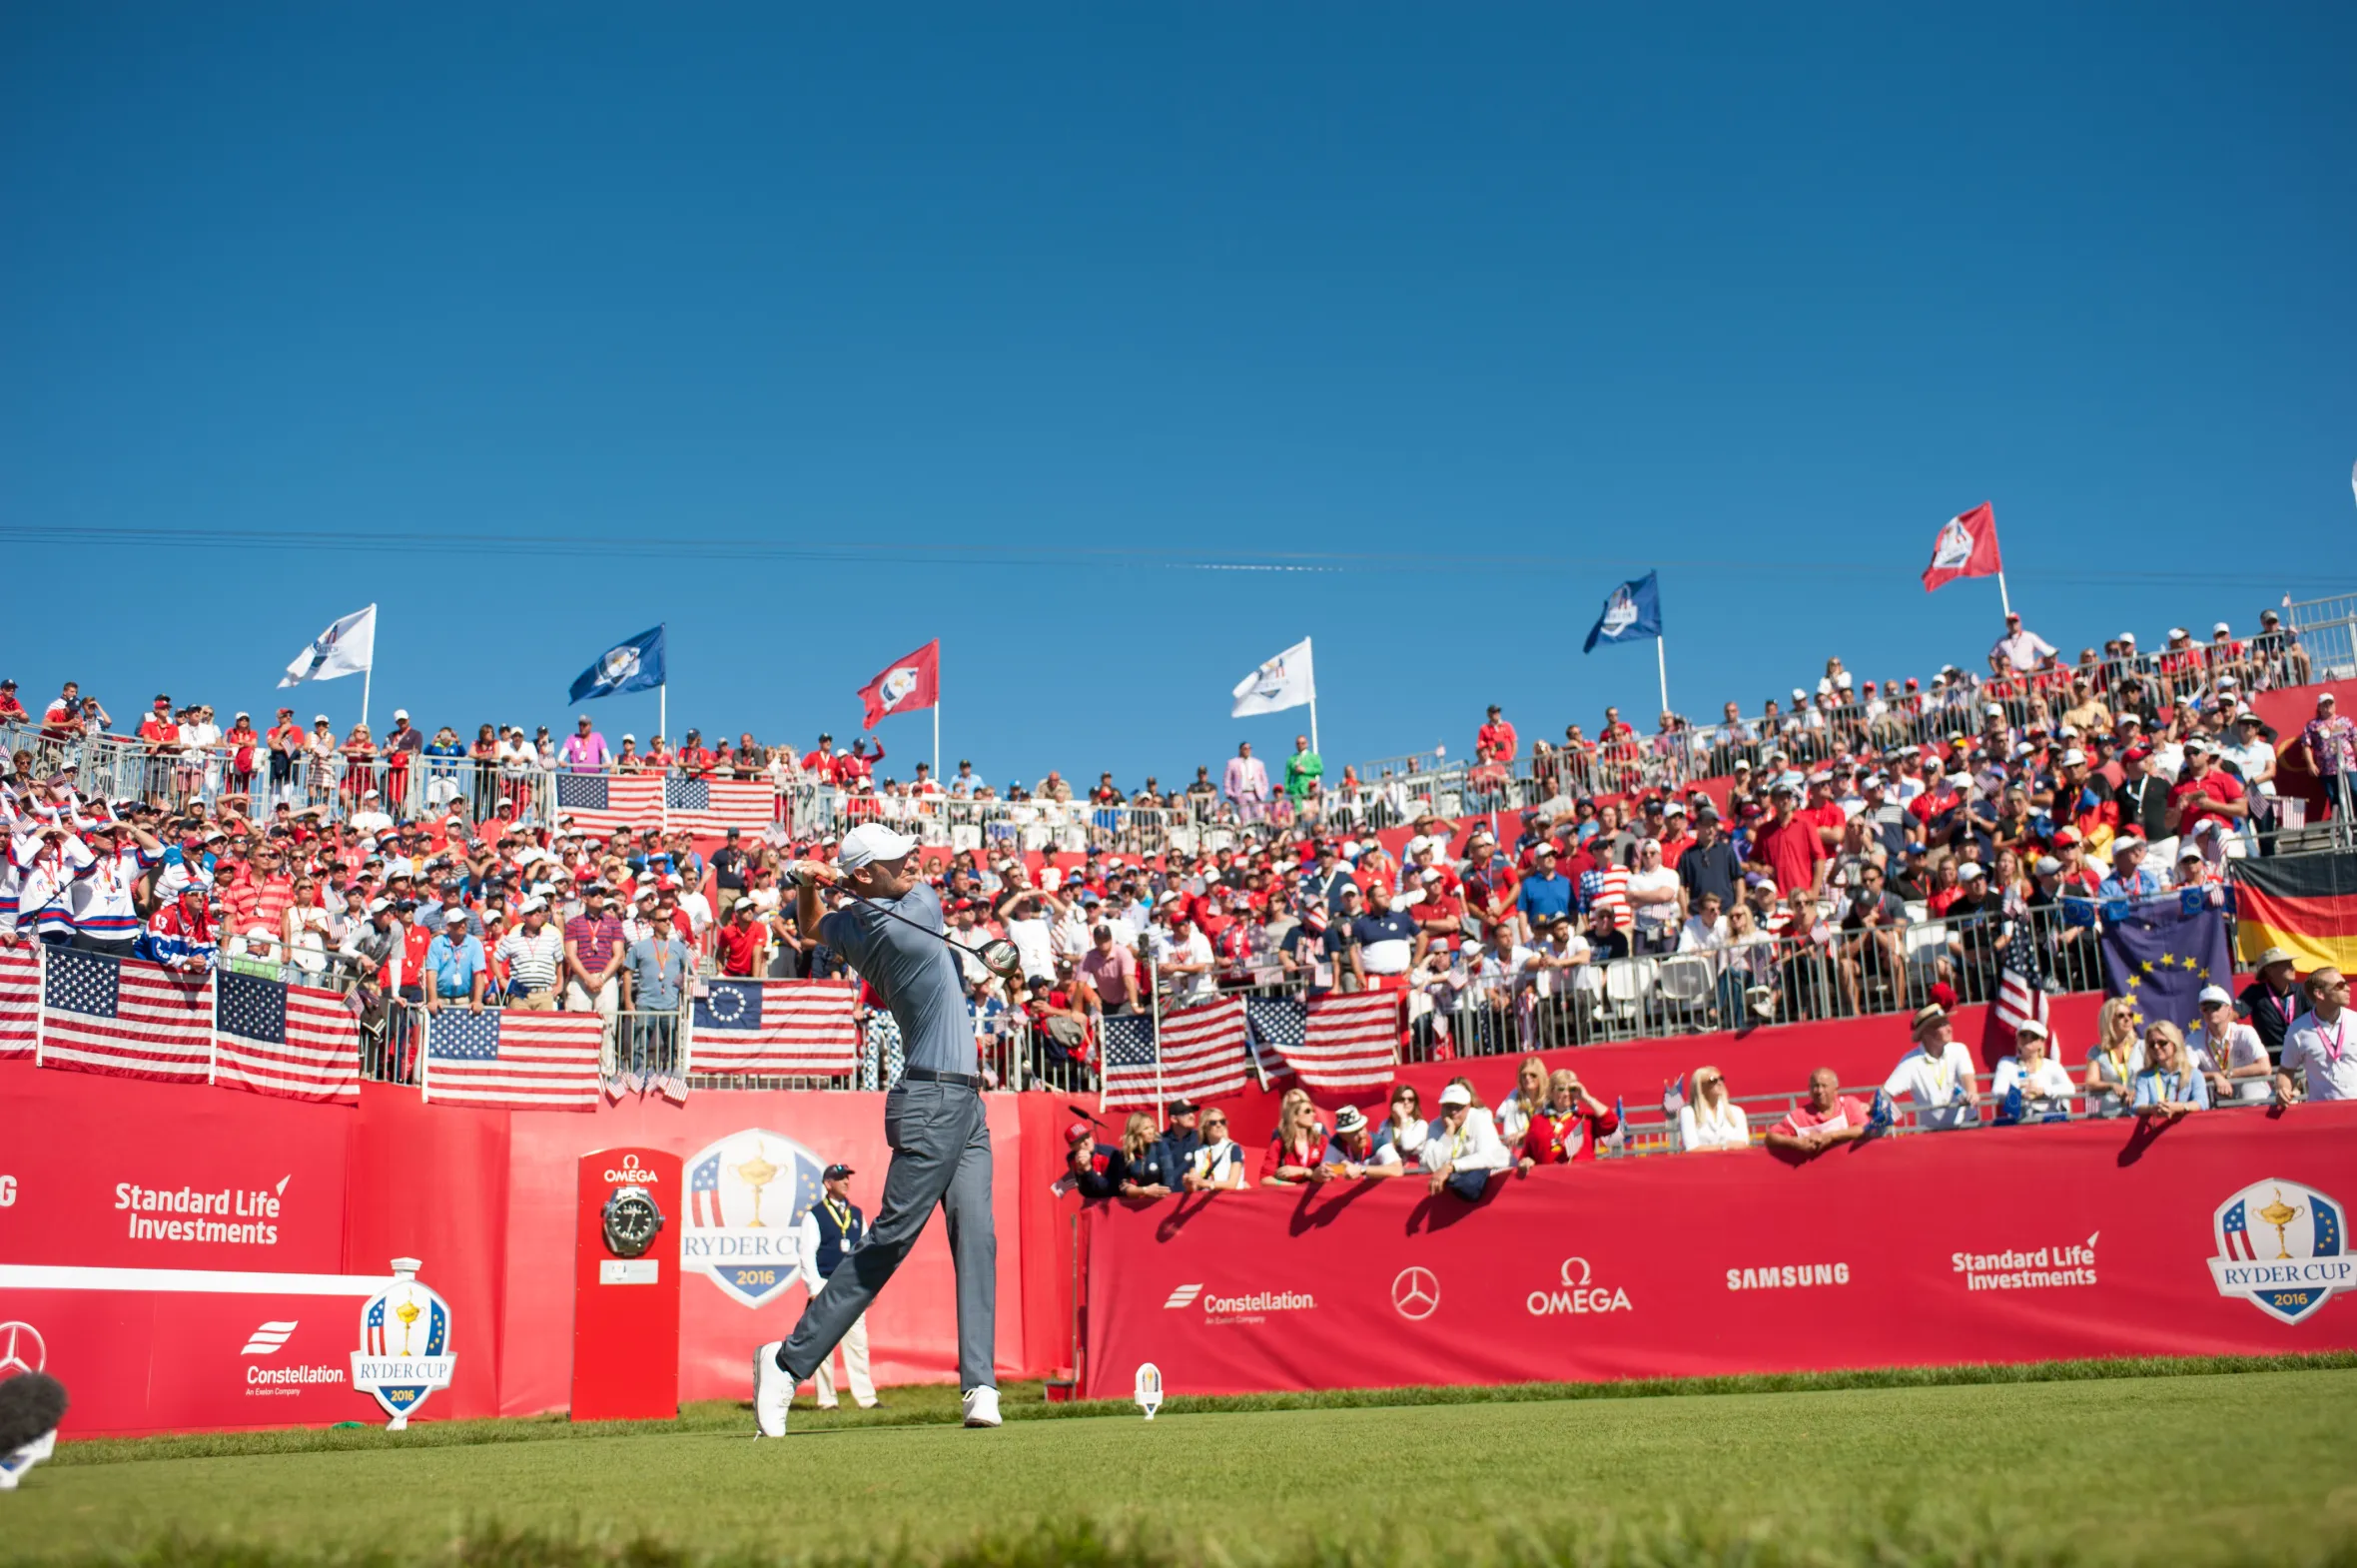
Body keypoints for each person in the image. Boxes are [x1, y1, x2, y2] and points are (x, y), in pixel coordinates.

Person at [756, 822, 1000, 1437]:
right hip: (932, 1100)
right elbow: (851, 901)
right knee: (890, 1241)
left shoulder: (861, 920)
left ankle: (980, 1385)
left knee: (978, 1236)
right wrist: (826, 879)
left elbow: (812, 926)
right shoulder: (909, 917)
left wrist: (808, 885)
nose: (914, 863)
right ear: (868, 875)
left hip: (963, 1102)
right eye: (899, 860)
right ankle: (786, 1365)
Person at [794, 1164, 878, 1411]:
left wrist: (868, 1285)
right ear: (827, 1183)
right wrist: (814, 1287)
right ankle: (826, 1400)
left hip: (852, 1288)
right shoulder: (815, 1215)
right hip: (826, 1285)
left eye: (847, 1178)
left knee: (858, 1343)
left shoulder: (856, 1213)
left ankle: (866, 1398)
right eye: (840, 1178)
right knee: (823, 1344)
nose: (845, 1182)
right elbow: (806, 1253)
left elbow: (865, 1250)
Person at [1882, 1004, 1982, 1131]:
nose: (1949, 1028)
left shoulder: (1959, 1049)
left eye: (1948, 1023)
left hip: (1967, 1126)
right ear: (1926, 1032)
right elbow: (1886, 1092)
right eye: (1942, 1025)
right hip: (1934, 1135)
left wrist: (1971, 1092)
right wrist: (1873, 1107)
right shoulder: (1911, 1061)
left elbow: (1967, 1078)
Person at [2276, 967, 2357, 1106]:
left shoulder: (2355, 1021)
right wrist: (2282, 1089)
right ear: (2319, 993)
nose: (2348, 989)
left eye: (2346, 984)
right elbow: (2286, 1070)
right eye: (2340, 985)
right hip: (2322, 1115)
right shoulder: (2298, 1030)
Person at [1422, 1081, 1510, 1198]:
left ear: (1468, 1106)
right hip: (1461, 1185)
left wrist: (1451, 1166)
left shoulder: (1480, 1117)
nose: (1453, 1112)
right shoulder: (1435, 1125)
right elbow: (1432, 1165)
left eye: (1458, 1107)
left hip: (1501, 1183)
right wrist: (1448, 1134)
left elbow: (1487, 1157)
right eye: (1448, 1106)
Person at [1517, 1069, 1618, 1170]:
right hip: (1549, 1181)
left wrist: (1586, 1098)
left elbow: (1611, 1122)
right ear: (1551, 1092)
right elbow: (1527, 1155)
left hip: (1581, 1178)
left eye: (1571, 1089)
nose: (1566, 1094)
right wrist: (1526, 1161)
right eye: (1561, 1089)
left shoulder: (1584, 1118)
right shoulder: (1537, 1120)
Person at [2191, 984, 2272, 1105]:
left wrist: (2227, 1074)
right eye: (2205, 1008)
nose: (2210, 1011)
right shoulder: (2193, 1039)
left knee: (2249, 1089)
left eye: (2215, 1006)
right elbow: (2186, 1074)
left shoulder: (2245, 1032)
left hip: (2252, 1096)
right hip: (2217, 1093)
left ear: (2229, 1009)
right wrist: (2215, 1076)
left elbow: (2265, 1068)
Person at [1764, 1067, 1872, 1157]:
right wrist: (1797, 1143)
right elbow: (1771, 1136)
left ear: (1835, 1090)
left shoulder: (1848, 1104)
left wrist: (1830, 1136)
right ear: (1809, 1090)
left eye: (1824, 1086)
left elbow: (1864, 1128)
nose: (1819, 1091)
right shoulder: (1798, 1115)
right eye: (1815, 1086)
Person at [1990, 1020, 2074, 1122]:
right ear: (2017, 1039)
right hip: (2018, 1122)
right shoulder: (2006, 1063)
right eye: (2023, 1035)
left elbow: (2070, 1089)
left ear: (2041, 1042)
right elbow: (1997, 1091)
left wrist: (2043, 1091)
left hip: (2049, 1120)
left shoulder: (2052, 1066)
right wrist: (2019, 1093)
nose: (2028, 1039)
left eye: (2033, 1036)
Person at [2082, 995, 2143, 1120]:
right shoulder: (2096, 1052)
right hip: (2111, 1116)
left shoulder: (2143, 1046)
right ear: (2109, 1020)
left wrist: (2138, 1091)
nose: (2127, 1019)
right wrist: (2111, 1086)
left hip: (2139, 1112)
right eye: (2121, 1016)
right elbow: (2090, 1083)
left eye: (2130, 1015)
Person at [2133, 1021, 2210, 1119]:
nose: (2156, 1047)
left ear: (2174, 1043)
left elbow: (2202, 1103)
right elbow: (2138, 1106)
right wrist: (2153, 1108)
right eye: (2152, 1044)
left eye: (2162, 1043)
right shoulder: (2144, 1076)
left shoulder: (2194, 1074)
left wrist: (2180, 1107)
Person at [2237, 947, 2306, 1055]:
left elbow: (2321, 1019)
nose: (2293, 968)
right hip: (2273, 1063)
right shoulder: (2254, 992)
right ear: (2269, 970)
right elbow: (2230, 1015)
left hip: (2304, 1058)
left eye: (2291, 963)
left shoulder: (2302, 990)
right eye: (2286, 964)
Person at [421, 907, 486, 1015]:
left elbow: (479, 973)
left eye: (464, 922)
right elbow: (431, 972)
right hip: (440, 999)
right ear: (449, 926)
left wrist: (477, 1001)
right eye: (458, 922)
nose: (463, 925)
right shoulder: (437, 943)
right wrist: (433, 999)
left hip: (464, 999)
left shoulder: (474, 943)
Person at [1677, 1065, 1749, 1152]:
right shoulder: (1688, 1112)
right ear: (1701, 1086)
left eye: (1721, 1078)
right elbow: (1692, 1148)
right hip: (1702, 1164)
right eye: (1713, 1080)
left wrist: (1712, 1148)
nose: (1719, 1083)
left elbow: (1743, 1143)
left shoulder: (1737, 1112)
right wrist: (1724, 1146)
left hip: (1732, 1163)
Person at [1181, 1107, 1249, 1190]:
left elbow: (1232, 1184)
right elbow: (1194, 1188)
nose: (1219, 1125)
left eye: (1222, 1121)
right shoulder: (1198, 1152)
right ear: (1205, 1127)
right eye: (1213, 1122)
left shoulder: (1233, 1149)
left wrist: (1205, 1183)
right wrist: (1189, 1183)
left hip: (1229, 1200)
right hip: (1208, 1201)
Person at [1369, 1083, 1428, 1169]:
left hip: (1413, 1171)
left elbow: (1408, 1145)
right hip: (1390, 1169)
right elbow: (1377, 1149)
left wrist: (1403, 1118)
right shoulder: (1385, 1124)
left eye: (1410, 1099)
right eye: (1401, 1099)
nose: (1406, 1102)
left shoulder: (1420, 1124)